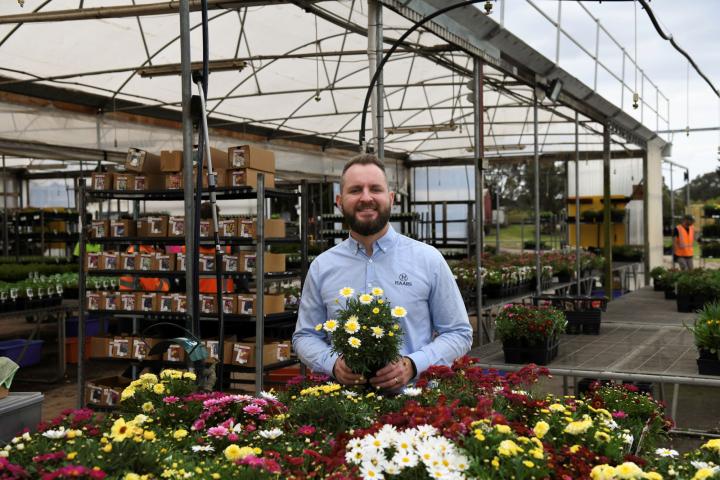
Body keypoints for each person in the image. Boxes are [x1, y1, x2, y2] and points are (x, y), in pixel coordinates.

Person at [292, 154, 472, 390]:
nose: (366, 198)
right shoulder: (322, 267)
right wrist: (333, 364)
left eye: (375, 189)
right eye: (355, 190)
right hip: (344, 407)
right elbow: (304, 336)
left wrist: (413, 364)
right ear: (339, 200)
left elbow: (459, 333)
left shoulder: (428, 260)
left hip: (414, 410)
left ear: (391, 198)